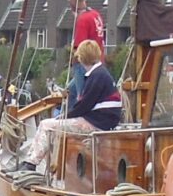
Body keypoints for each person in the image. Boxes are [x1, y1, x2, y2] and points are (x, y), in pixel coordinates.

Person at [21, 40, 124, 172]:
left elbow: (84, 105)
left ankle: (31, 164)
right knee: (54, 125)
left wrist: (65, 116)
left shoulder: (97, 76)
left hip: (97, 123)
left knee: (46, 125)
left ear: (82, 57)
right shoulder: (100, 73)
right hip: (102, 121)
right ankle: (44, 166)